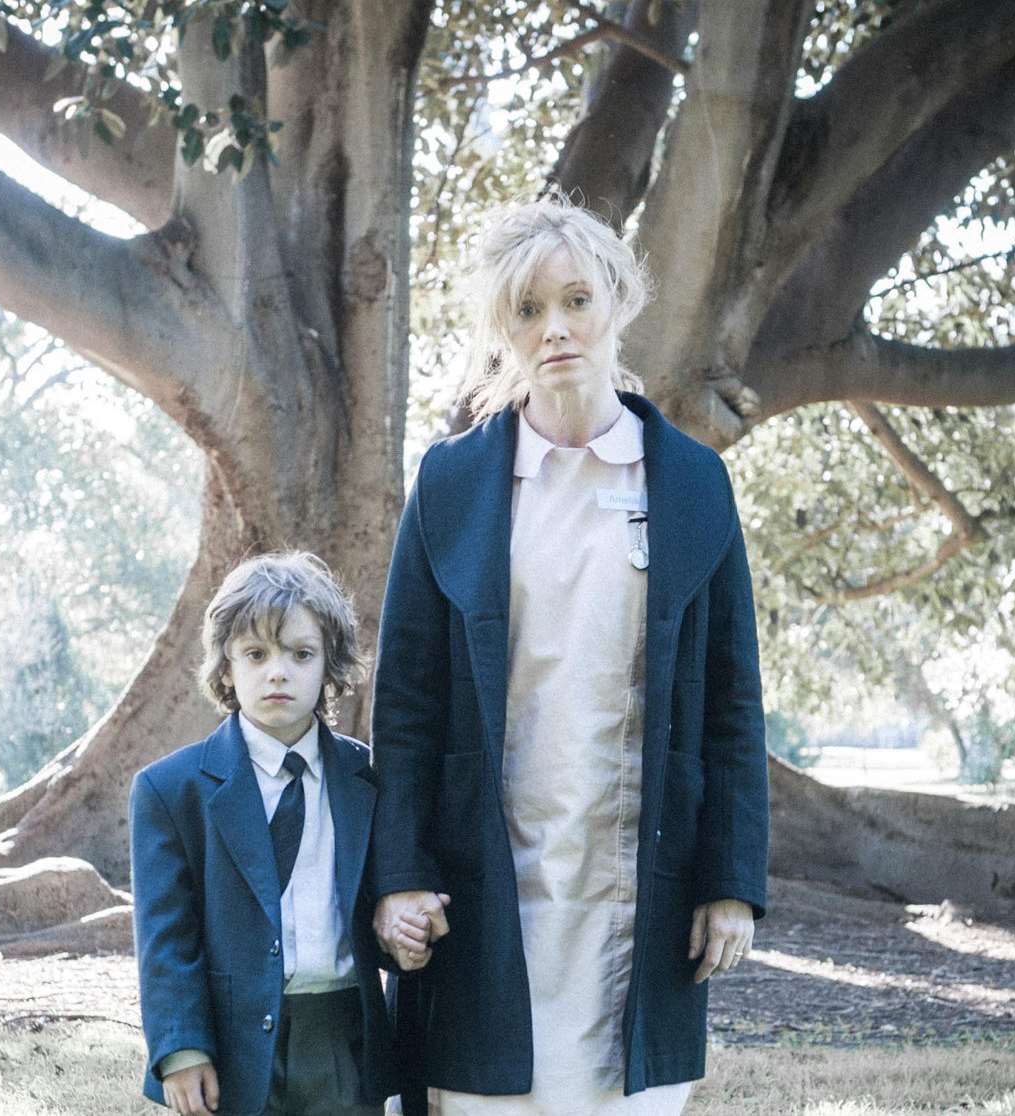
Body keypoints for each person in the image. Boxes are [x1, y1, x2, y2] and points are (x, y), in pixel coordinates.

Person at [367, 193, 769, 1116]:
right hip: (486, 887)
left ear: (619, 303)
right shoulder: (451, 484)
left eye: (576, 301)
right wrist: (399, 876)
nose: (555, 329)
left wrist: (730, 883)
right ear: (501, 330)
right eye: (527, 310)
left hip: (644, 886)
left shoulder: (694, 486)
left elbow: (731, 706)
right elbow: (407, 706)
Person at [130, 552, 399, 1116]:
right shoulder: (170, 790)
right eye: (256, 654)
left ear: (330, 666)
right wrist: (181, 1047)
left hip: (344, 1033)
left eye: (301, 654)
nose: (278, 671)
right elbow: (166, 938)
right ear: (226, 668)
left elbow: (385, 894)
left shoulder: (368, 778)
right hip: (232, 1045)